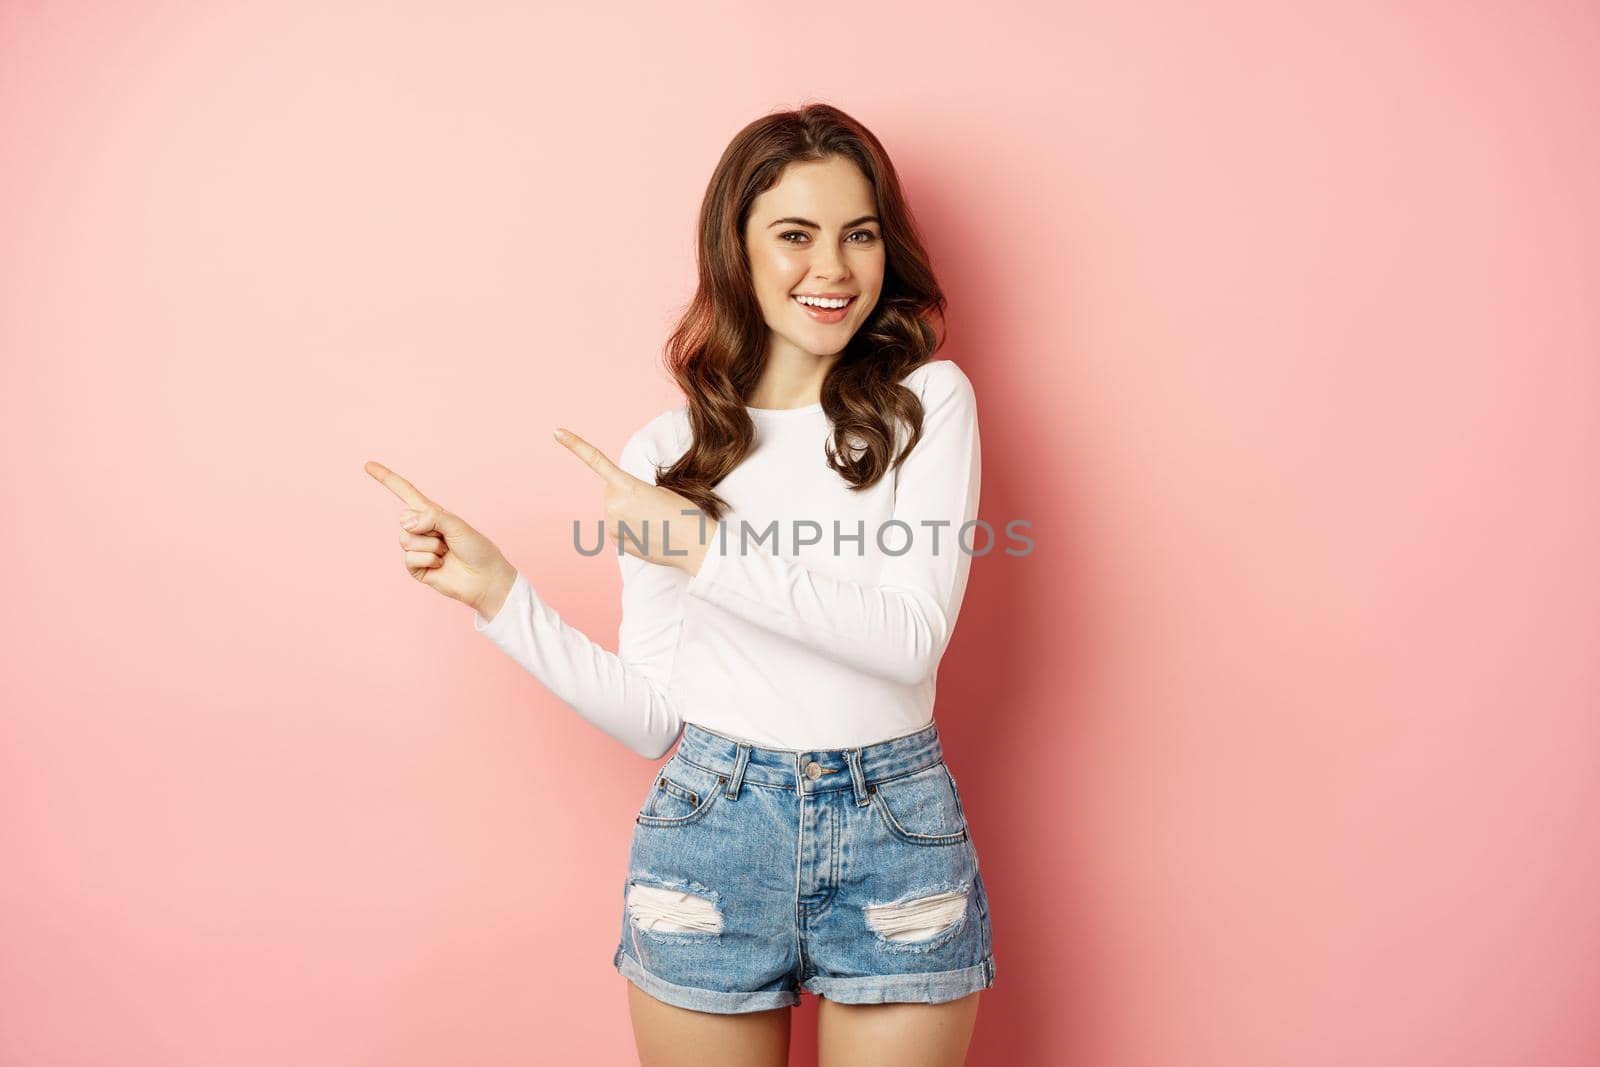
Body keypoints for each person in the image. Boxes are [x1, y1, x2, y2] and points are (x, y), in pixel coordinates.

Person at [365, 102, 992, 1067]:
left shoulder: (926, 404)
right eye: (794, 235)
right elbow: (656, 717)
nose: (831, 269)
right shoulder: (667, 452)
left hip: (895, 827)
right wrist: (500, 598)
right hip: (714, 826)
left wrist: (703, 550)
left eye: (858, 235)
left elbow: (910, 636)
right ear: (736, 251)